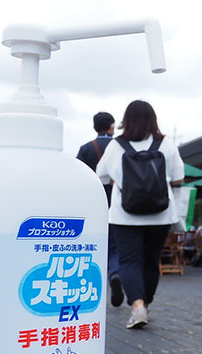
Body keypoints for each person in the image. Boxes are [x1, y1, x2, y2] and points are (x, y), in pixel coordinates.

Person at [96, 100, 184, 329]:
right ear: (153, 119)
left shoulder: (116, 146)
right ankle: (145, 304)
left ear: (126, 120)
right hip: (160, 214)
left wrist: (119, 179)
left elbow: (100, 175)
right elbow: (178, 178)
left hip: (125, 215)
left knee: (129, 261)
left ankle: (137, 307)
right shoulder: (166, 144)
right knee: (151, 261)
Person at [75, 111, 121, 301]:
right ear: (111, 126)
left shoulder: (86, 149)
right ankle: (115, 273)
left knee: (95, 242)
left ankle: (93, 279)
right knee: (115, 244)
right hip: (118, 203)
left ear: (95, 127)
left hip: (94, 204)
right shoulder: (120, 146)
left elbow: (78, 177)